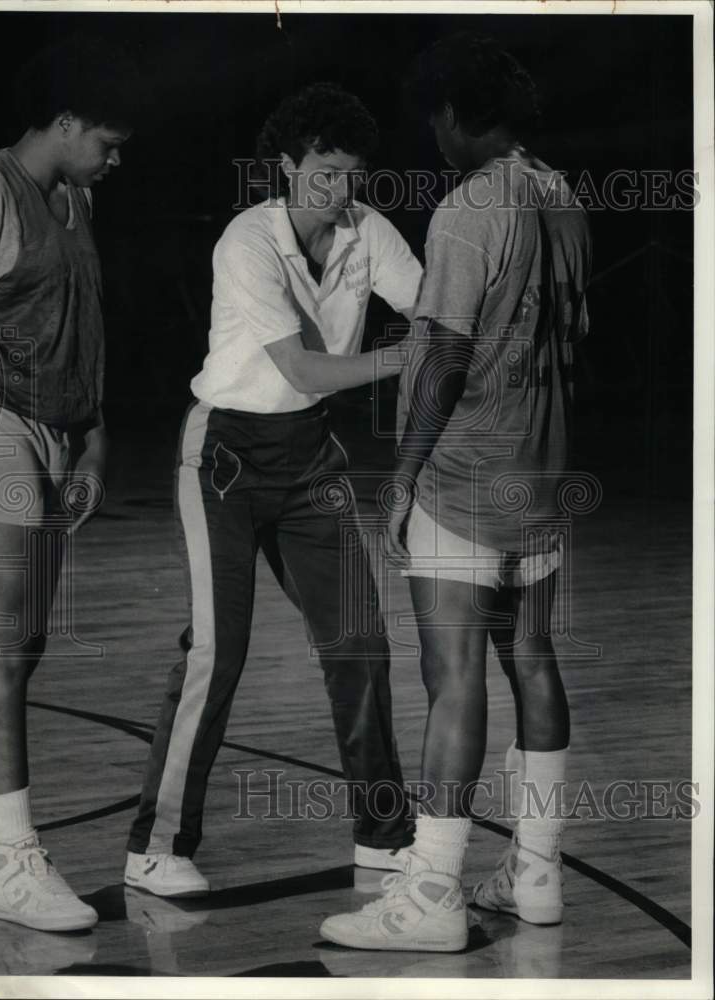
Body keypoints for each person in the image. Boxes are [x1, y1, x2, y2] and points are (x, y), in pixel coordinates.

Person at [321, 33, 591, 951]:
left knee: (454, 680)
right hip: (544, 473)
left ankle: (432, 893)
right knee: (534, 660)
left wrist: (402, 478)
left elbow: (439, 356)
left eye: (434, 119)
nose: (432, 137)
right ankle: (539, 875)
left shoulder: (469, 208)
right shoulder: (561, 194)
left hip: (469, 472)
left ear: (454, 115)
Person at [124, 83, 423, 897]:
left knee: (360, 640)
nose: (338, 191)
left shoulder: (370, 231)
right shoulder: (245, 239)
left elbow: (431, 310)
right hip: (223, 450)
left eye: (351, 175)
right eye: (323, 172)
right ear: (286, 167)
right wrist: (402, 359)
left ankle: (383, 835)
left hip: (308, 454)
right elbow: (301, 367)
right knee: (218, 653)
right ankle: (155, 847)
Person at [0, 37, 136, 931]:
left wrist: (95, 442)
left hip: (56, 429)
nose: (117, 159)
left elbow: (85, 332)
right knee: (7, 646)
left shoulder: (74, 198)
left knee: (22, 647)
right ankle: (15, 859)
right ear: (65, 122)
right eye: (107, 142)